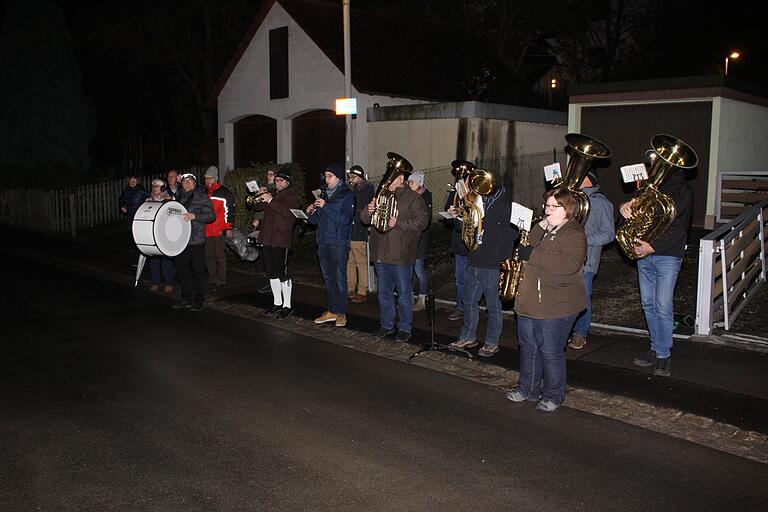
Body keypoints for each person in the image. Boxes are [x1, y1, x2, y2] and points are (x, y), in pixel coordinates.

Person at [506, 188, 587, 412]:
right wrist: (541, 225)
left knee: (550, 351)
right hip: (530, 300)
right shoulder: (544, 228)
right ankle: (527, 389)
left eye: (554, 207)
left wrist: (532, 254)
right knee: (528, 347)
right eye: (546, 206)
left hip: (558, 304)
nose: (547, 210)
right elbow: (528, 244)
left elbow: (568, 265)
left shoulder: (574, 234)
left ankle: (554, 395)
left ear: (568, 210)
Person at [622, 167, 693, 377]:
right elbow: (634, 216)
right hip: (645, 255)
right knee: (648, 304)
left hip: (668, 255)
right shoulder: (647, 187)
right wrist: (624, 207)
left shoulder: (683, 190)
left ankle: (663, 355)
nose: (654, 165)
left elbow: (680, 227)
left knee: (663, 305)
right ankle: (655, 348)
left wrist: (652, 247)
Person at [448, 177, 518, 357]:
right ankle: (468, 336)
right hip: (475, 260)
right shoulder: (476, 201)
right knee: (469, 302)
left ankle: (492, 342)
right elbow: (461, 229)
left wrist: (485, 230)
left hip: (493, 262)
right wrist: (459, 218)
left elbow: (513, 233)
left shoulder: (506, 205)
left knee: (493, 306)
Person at [360, 169, 429, 342]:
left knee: (404, 294)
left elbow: (422, 222)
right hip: (381, 253)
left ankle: (405, 328)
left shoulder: (414, 198)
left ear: (400, 179)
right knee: (384, 293)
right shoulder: (381, 194)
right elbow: (365, 219)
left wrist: (398, 223)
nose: (386, 181)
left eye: (390, 178)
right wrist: (368, 211)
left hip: (400, 254)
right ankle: (386, 325)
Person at [568, 170, 615, 349]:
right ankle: (565, 330)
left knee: (583, 297)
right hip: (567, 257)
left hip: (587, 259)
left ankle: (580, 333)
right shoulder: (570, 200)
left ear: (588, 180)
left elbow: (609, 234)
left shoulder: (600, 202)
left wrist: (585, 240)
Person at [306, 163, 355, 327]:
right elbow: (315, 221)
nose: (326, 180)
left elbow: (345, 220)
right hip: (323, 241)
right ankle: (332, 310)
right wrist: (310, 212)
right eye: (325, 176)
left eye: (330, 176)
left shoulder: (347, 195)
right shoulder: (324, 195)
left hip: (338, 243)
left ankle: (341, 312)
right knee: (328, 279)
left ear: (338, 178)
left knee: (340, 278)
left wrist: (325, 207)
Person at [252, 168, 301, 319]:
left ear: (287, 182)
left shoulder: (293, 196)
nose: (277, 183)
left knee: (282, 273)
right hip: (268, 237)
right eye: (276, 180)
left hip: (281, 238)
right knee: (271, 272)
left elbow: (287, 213)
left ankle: (287, 306)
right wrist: (259, 195)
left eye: (280, 180)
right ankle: (277, 303)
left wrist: (270, 200)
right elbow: (256, 206)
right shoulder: (272, 193)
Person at [172, 173, 215, 311]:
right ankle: (186, 298)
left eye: (191, 181)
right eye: (185, 181)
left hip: (195, 239)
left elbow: (211, 216)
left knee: (197, 270)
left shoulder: (202, 197)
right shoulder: (178, 197)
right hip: (180, 240)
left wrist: (194, 216)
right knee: (181, 269)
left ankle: (199, 300)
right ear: (181, 183)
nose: (188, 183)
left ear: (195, 183)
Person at [203, 166, 235, 291]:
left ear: (215, 178)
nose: (208, 181)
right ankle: (212, 279)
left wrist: (229, 227)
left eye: (210, 178)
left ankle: (221, 280)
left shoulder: (224, 191)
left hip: (219, 229)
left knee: (219, 256)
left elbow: (230, 210)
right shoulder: (203, 192)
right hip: (206, 230)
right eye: (206, 178)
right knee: (208, 256)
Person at [346, 165, 375, 303]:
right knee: (349, 261)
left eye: (353, 177)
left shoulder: (367, 189)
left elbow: (362, 207)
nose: (350, 180)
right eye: (349, 177)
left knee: (360, 262)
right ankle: (350, 287)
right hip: (349, 230)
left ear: (360, 177)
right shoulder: (350, 190)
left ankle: (362, 290)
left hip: (359, 229)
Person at [443, 190, 470, 321]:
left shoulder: (479, 192)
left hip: (474, 245)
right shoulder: (455, 194)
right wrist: (451, 216)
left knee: (474, 279)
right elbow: (447, 221)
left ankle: (471, 308)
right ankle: (460, 307)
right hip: (459, 244)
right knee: (460, 279)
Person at [407, 171, 432, 312]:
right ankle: (408, 297)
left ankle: (423, 297)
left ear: (420, 184)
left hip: (420, 240)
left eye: (412, 182)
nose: (409, 184)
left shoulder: (425, 197)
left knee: (419, 269)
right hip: (409, 239)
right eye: (409, 181)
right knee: (409, 269)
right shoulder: (409, 196)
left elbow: (425, 220)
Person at [147, 179, 175, 293]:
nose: (154, 188)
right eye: (153, 186)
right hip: (153, 233)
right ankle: (155, 282)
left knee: (166, 259)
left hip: (165, 233)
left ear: (162, 188)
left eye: (157, 186)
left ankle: (169, 283)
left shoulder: (169, 199)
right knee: (154, 259)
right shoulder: (148, 200)